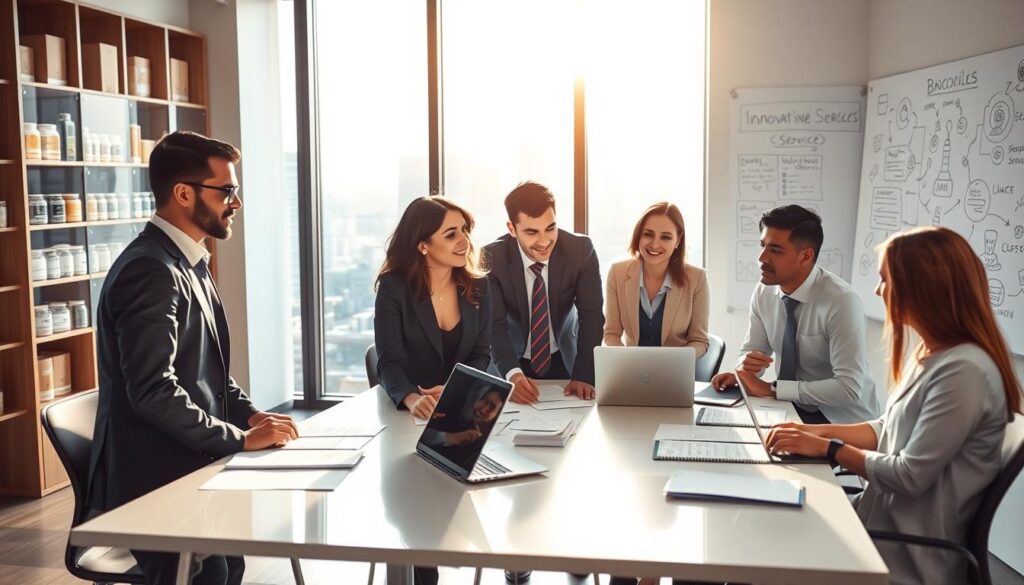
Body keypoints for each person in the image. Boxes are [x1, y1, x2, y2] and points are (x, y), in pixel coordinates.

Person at [88, 131, 298, 585]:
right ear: (184, 193)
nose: (236, 202)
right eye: (227, 190)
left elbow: (213, 376)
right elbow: (152, 390)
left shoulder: (188, 263)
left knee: (235, 559)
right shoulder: (151, 270)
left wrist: (255, 417)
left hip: (192, 458)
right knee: (213, 574)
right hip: (154, 478)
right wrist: (240, 440)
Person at [765, 226, 1022, 585]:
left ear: (921, 286)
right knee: (762, 521)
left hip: (904, 555)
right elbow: (887, 428)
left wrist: (830, 448)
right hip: (875, 524)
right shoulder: (932, 353)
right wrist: (812, 431)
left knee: (763, 548)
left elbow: (909, 476)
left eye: (885, 280)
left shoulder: (965, 372)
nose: (877, 290)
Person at [373, 196, 491, 585]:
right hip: (407, 414)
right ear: (423, 244)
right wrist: (411, 398)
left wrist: (458, 389)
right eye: (451, 234)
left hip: (460, 410)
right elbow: (388, 361)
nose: (464, 242)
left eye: (465, 232)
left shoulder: (478, 287)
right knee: (416, 517)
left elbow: (481, 352)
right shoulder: (393, 289)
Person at [711, 205, 879, 423]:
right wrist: (745, 370)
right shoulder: (764, 291)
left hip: (843, 421)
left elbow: (849, 387)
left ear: (805, 256)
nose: (761, 258)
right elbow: (753, 348)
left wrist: (773, 390)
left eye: (775, 250)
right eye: (762, 246)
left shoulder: (841, 302)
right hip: (790, 411)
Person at [484, 181, 604, 405]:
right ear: (512, 228)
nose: (544, 241)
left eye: (550, 228)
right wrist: (512, 375)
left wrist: (584, 375)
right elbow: (494, 325)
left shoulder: (580, 251)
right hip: (510, 360)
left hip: (565, 359)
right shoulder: (492, 258)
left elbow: (592, 315)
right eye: (531, 232)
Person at [603, 202, 709, 354]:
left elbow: (699, 341)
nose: (654, 244)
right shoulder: (617, 273)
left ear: (678, 241)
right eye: (648, 234)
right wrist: (625, 361)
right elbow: (611, 333)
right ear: (638, 235)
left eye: (665, 237)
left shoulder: (697, 279)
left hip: (674, 371)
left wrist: (676, 362)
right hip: (630, 370)